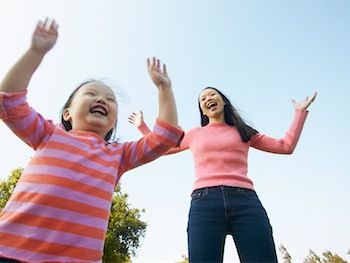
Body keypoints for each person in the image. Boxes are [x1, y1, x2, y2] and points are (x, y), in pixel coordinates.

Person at [0, 18, 183, 263]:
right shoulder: (48, 134)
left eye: (110, 99)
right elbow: (8, 102)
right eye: (91, 93)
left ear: (113, 122)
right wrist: (35, 52)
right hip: (2, 254)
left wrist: (164, 88)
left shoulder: (118, 155)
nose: (102, 99)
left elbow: (165, 137)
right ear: (67, 113)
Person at [129, 87, 316, 263]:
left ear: (223, 101)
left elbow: (285, 146)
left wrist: (299, 113)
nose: (208, 99)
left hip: (246, 202)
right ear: (202, 110)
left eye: (212, 95)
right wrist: (142, 127)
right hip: (205, 203)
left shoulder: (244, 132)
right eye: (203, 99)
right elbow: (163, 148)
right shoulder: (195, 134)